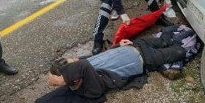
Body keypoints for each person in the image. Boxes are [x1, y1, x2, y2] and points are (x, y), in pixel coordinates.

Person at [47, 37, 187, 97]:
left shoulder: (83, 64)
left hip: (136, 45)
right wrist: (60, 81)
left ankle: (175, 37)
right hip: (146, 59)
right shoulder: (91, 86)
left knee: (168, 38)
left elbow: (103, 56)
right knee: (180, 51)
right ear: (71, 77)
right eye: (72, 61)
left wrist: (117, 46)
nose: (76, 59)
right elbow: (82, 65)